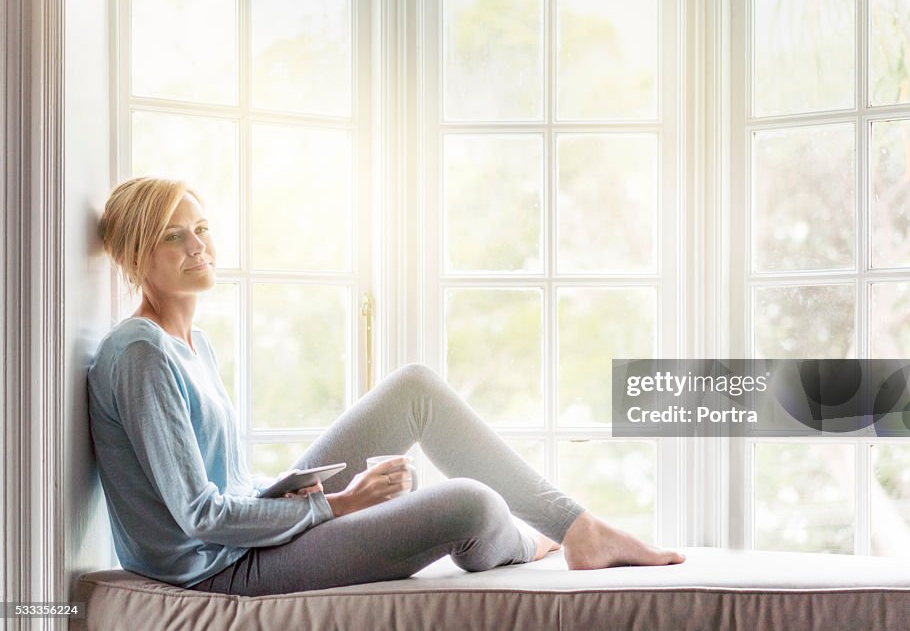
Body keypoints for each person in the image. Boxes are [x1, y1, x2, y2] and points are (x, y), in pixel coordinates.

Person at [87, 176, 685, 596]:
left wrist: (289, 497)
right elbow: (199, 516)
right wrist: (340, 505)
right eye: (174, 235)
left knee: (415, 389)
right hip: (217, 570)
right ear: (139, 254)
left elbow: (226, 487)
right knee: (470, 502)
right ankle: (520, 543)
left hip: (243, 540)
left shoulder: (195, 343)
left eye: (202, 227)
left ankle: (578, 530)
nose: (198, 246)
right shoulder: (140, 351)